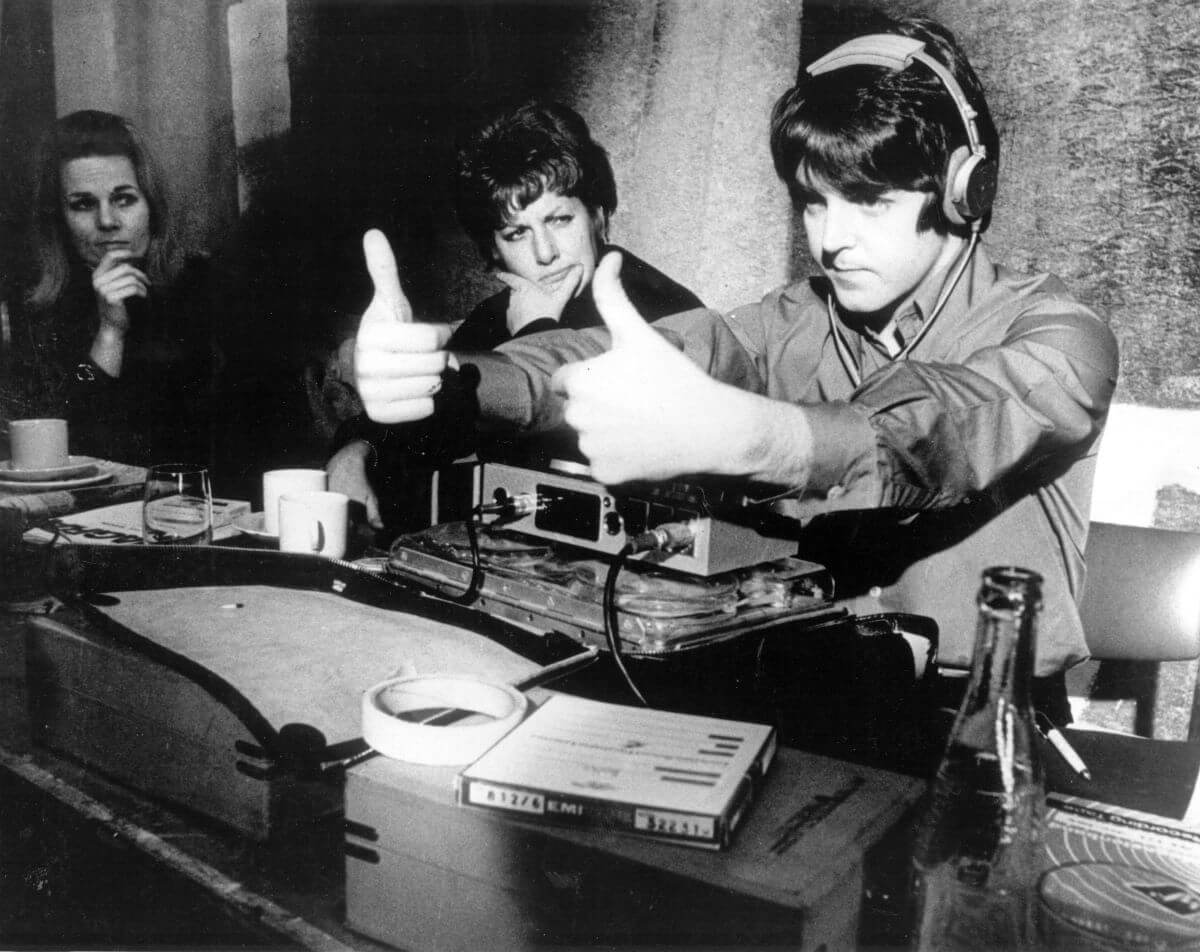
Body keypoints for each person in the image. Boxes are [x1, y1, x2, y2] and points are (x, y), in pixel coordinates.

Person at [351, 15, 1118, 724]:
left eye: (868, 201)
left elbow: (948, 422)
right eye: (813, 204)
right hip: (822, 689)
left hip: (983, 719)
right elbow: (646, 352)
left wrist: (756, 438)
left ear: (962, 191)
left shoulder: (1062, 336)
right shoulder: (799, 318)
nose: (831, 240)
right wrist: (457, 378)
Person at [325, 99, 703, 532]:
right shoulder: (500, 311)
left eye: (560, 220)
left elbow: (564, 449)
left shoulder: (659, 308)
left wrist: (537, 330)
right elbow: (433, 404)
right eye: (517, 233)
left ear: (598, 217)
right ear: (493, 251)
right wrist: (356, 449)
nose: (545, 254)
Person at [0, 110, 221, 468]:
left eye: (123, 199)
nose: (107, 221)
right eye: (83, 204)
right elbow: (62, 445)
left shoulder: (203, 287)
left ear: (151, 204)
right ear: (59, 218)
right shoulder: (37, 305)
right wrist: (109, 335)